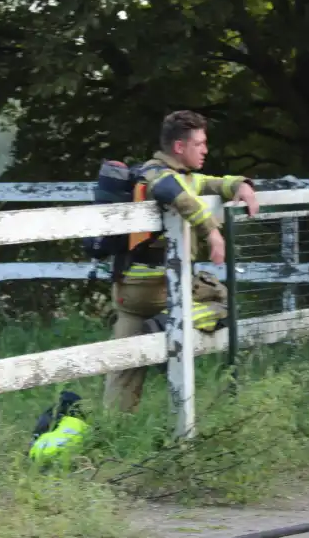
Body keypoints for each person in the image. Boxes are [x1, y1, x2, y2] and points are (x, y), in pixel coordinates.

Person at [103, 110, 260, 413]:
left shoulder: (183, 176)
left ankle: (112, 434)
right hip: (160, 289)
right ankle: (166, 325)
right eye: (199, 144)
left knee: (123, 371)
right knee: (225, 300)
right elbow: (170, 191)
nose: (205, 150)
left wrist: (241, 185)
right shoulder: (157, 175)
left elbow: (215, 183)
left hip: (130, 294)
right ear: (179, 147)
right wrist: (212, 232)